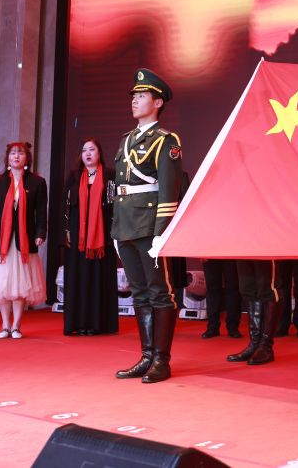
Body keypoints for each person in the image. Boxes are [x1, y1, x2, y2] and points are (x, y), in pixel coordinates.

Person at [112, 69, 183, 384]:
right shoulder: (126, 139)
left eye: (141, 96)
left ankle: (161, 360)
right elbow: (121, 189)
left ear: (157, 102)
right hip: (126, 225)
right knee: (139, 293)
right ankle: (146, 356)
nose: (134, 101)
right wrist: (116, 229)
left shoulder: (166, 140)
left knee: (159, 293)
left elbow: (169, 189)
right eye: (134, 96)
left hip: (149, 225)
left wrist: (161, 232)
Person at [0, 142, 49, 339]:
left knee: (20, 283)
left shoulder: (37, 182)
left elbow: (41, 212)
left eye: (20, 153)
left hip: (25, 239)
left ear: (27, 158)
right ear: (7, 158)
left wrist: (40, 233)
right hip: (2, 239)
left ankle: (16, 325)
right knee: (3, 283)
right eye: (13, 153)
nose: (16, 156)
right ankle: (5, 325)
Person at [63, 139, 119, 336]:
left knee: (99, 279)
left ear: (99, 153)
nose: (87, 153)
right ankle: (78, 323)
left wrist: (115, 231)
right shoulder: (74, 176)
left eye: (92, 149)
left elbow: (115, 204)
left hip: (103, 236)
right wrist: (66, 229)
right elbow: (66, 206)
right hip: (78, 236)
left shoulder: (110, 175)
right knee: (78, 278)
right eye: (84, 150)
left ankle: (98, 324)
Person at [227, 260, 284, 365]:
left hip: (265, 251)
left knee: (269, 288)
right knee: (248, 287)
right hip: (243, 250)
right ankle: (255, 344)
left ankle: (265, 347)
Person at [202, 259, 242, 339]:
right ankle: (212, 327)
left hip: (231, 254)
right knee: (212, 288)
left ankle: (233, 327)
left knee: (233, 287)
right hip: (210, 253)